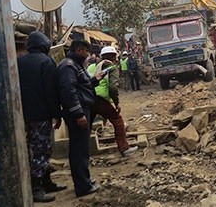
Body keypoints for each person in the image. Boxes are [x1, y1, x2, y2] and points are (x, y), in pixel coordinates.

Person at [17, 31, 66, 203]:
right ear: (44, 44)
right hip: (42, 114)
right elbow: (50, 92)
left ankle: (47, 182)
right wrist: (57, 114)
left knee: (35, 147)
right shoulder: (46, 62)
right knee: (42, 150)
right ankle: (36, 188)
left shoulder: (19, 61)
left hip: (24, 114)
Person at [57, 40, 101, 198]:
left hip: (82, 110)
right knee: (79, 150)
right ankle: (83, 186)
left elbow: (81, 86)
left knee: (81, 149)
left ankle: (85, 180)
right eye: (86, 51)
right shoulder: (68, 66)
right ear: (79, 50)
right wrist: (78, 114)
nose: (88, 54)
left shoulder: (75, 65)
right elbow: (68, 91)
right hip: (78, 112)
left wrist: (94, 80)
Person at [91, 46, 138, 157]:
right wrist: (116, 103)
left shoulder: (93, 66)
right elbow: (112, 87)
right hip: (101, 99)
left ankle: (82, 153)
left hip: (89, 98)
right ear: (114, 56)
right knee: (118, 121)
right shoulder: (112, 68)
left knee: (87, 126)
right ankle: (124, 149)